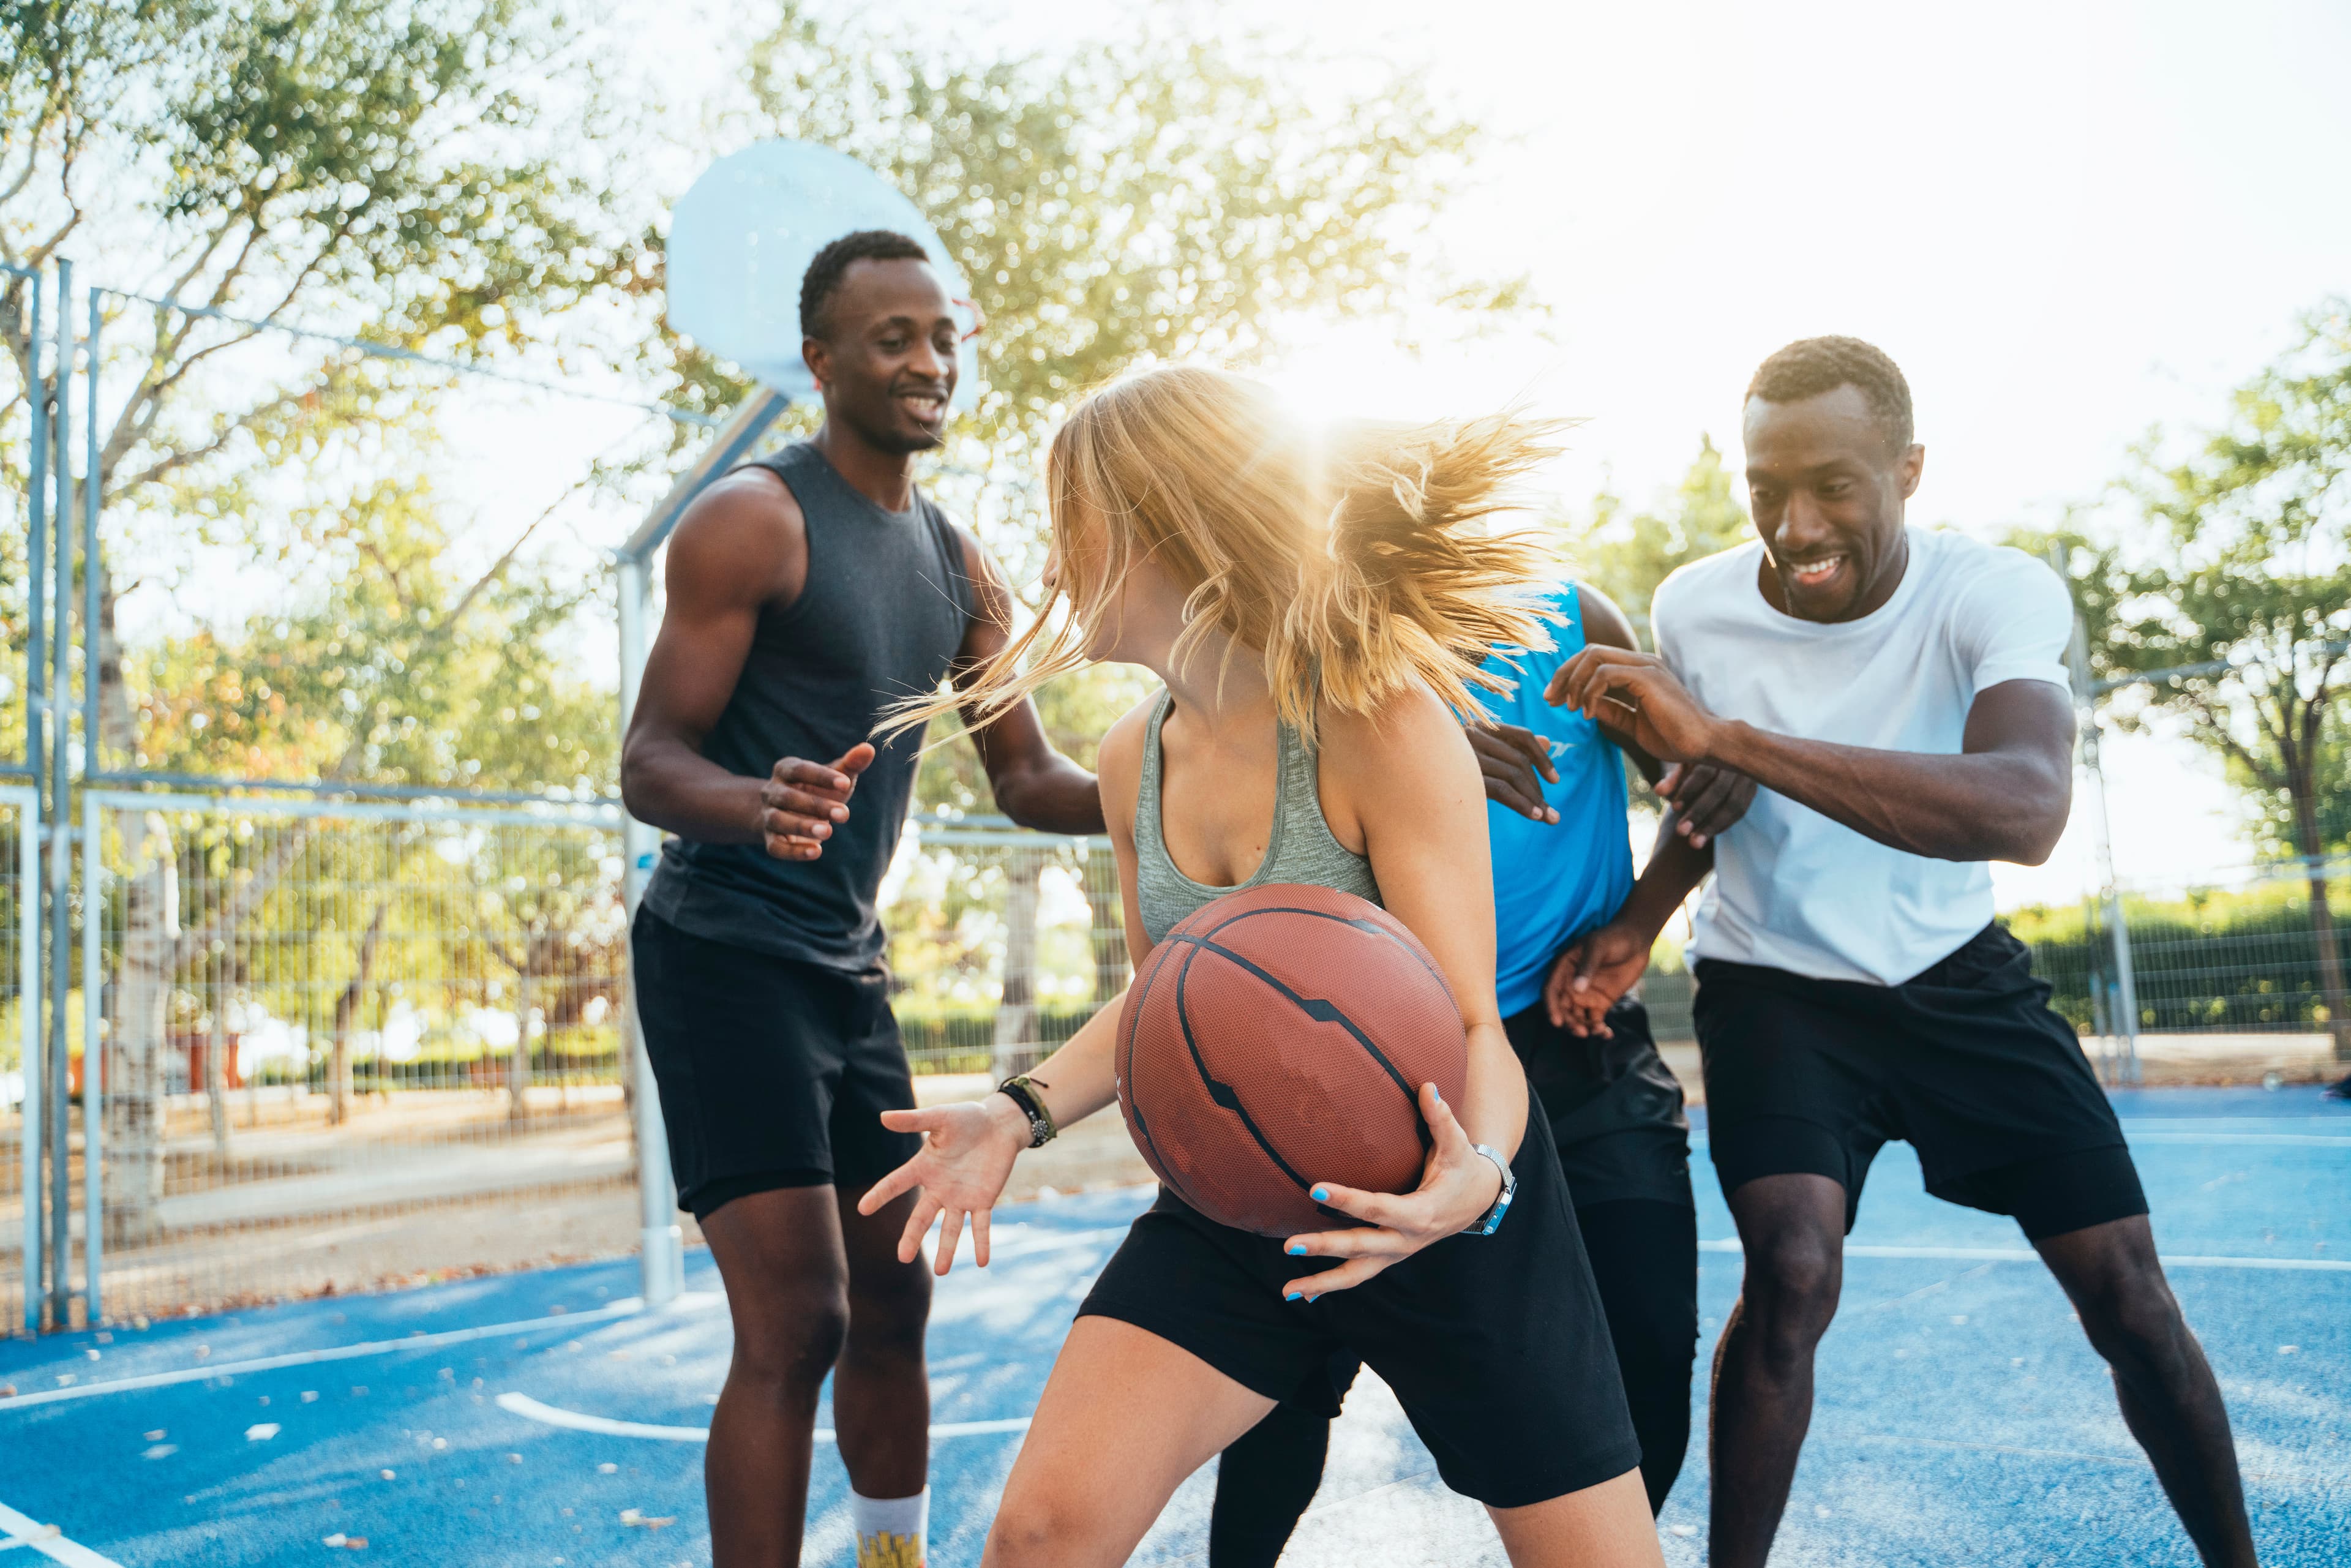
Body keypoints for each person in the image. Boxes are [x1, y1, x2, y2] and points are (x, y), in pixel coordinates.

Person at [861, 367, 1667, 1567]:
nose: (1051, 556)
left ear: (1163, 526)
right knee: (1039, 1537)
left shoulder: (1380, 723)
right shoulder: (1133, 758)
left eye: (1070, 516)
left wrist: (1479, 1183)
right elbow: (1169, 1003)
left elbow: (1472, 1025)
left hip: (1434, 1193)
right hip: (1239, 1198)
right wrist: (1015, 1112)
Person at [1550, 336, 2261, 1568]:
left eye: (1833, 485)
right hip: (1774, 988)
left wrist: (1732, 736)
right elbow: (1711, 806)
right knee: (1791, 1272)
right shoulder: (1695, 607)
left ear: (1909, 470)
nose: (1796, 524)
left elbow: (2026, 809)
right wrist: (1636, 924)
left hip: (1954, 973)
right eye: (1767, 487)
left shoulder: (1992, 593)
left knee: (2132, 1299)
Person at [618, 230, 1102, 1568]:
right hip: (721, 954)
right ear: (821, 361)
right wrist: (750, 800)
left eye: (944, 337)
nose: (930, 361)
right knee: (798, 1325)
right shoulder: (752, 519)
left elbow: (1031, 779)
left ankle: (894, 1559)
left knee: (895, 1305)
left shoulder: (960, 564)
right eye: (895, 339)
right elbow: (649, 762)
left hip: (846, 966)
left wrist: (1188, 783)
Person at [1201, 577, 1757, 1564]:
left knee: (1647, 1343)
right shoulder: (1317, 654)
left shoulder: (1573, 624)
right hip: (1381, 1057)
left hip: (1576, 1037)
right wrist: (1422, 762)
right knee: (1289, 1375)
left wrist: (1637, 924)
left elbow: (1704, 799)